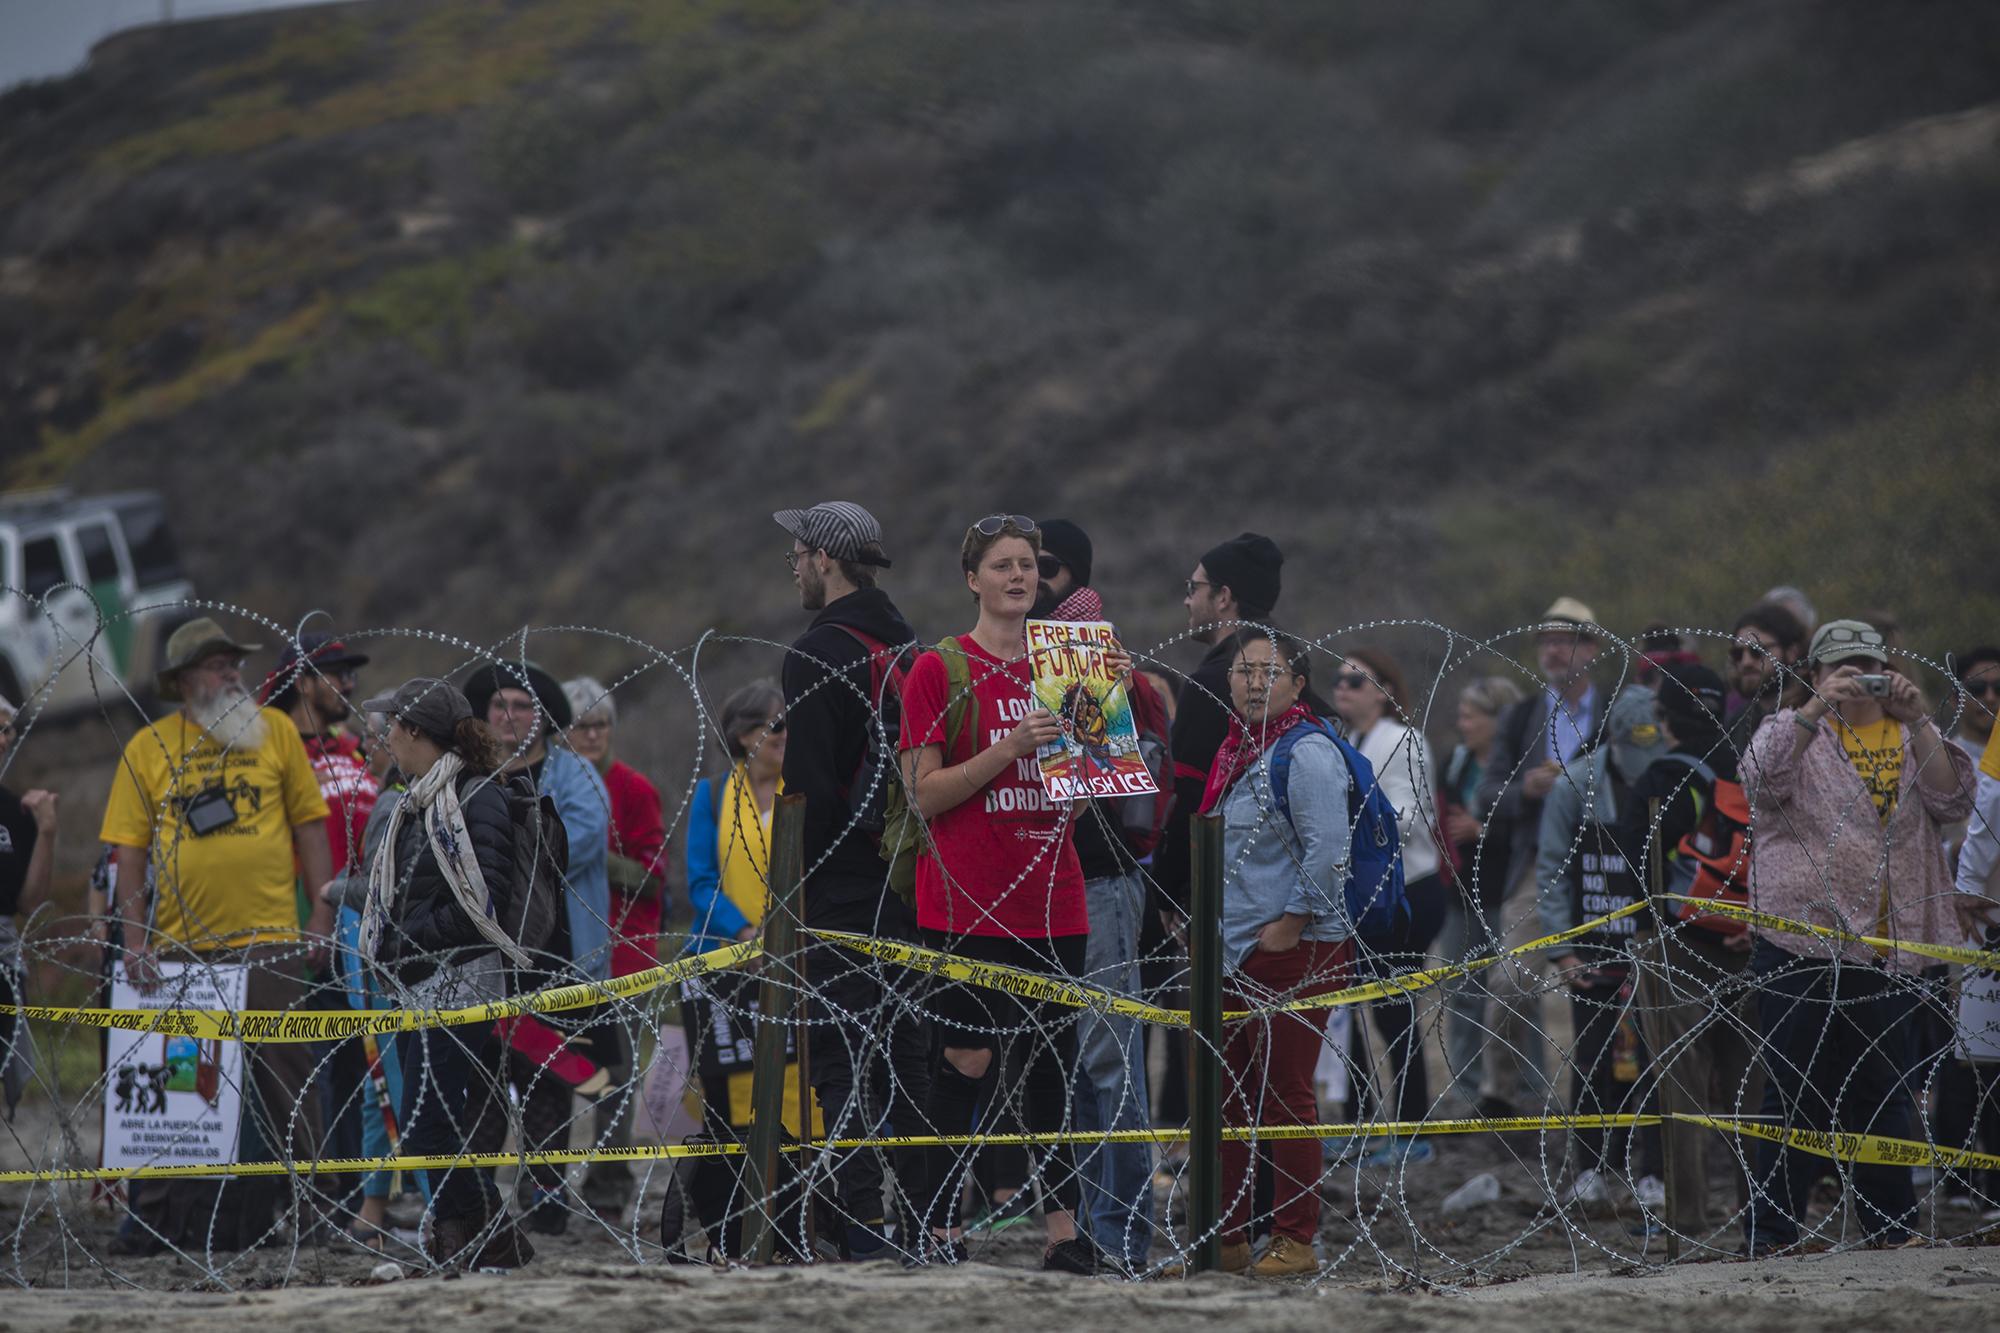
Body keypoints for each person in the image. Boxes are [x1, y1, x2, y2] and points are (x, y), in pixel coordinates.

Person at [898, 513, 1112, 1274]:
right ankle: (938, 1220)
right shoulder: (938, 668)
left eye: (1028, 564)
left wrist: (1081, 750)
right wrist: (1008, 748)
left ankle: (1063, 1230)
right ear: (972, 579)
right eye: (1002, 565)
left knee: (1053, 1062)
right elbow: (924, 793)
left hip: (1055, 895)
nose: (1019, 575)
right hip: (964, 896)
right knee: (964, 1058)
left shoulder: (1069, 659)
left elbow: (1084, 799)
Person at [1740, 619, 1983, 1254]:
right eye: (1840, 667)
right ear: (1815, 673)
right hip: (1803, 939)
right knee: (1792, 1091)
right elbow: (1762, 783)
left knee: (1884, 1093)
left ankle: (1891, 1230)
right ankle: (1772, 1236)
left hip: (1889, 946)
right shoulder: (1791, 731)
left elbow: (1956, 799)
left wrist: (1922, 716)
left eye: (1867, 664)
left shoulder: (1908, 734)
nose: (1858, 677)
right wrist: (1815, 706)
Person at [100, 618, 335, 1252]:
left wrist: (321, 911)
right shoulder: (149, 748)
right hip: (182, 949)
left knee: (286, 1069)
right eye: (215, 663)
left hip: (268, 937)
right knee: (185, 1083)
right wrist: (135, 941)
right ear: (181, 682)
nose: (232, 673)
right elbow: (128, 851)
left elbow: (311, 827)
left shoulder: (277, 732)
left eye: (234, 661)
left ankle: (312, 1206)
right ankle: (167, 1215)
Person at [773, 499, 935, 1260]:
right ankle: (931, 1222)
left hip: (841, 883)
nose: (792, 562)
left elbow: (807, 791)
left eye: (798, 549)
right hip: (911, 874)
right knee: (908, 1055)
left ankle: (867, 1226)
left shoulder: (815, 653)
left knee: (842, 1058)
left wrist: (803, 888)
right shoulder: (911, 649)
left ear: (827, 560)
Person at [356, 677, 533, 1270]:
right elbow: (406, 891)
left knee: (428, 1122)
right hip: (418, 981)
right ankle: (473, 1237)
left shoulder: (476, 796)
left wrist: (409, 938)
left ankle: (486, 1233)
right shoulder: (417, 800)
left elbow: (482, 899)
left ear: (416, 733)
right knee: (428, 1120)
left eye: (392, 728)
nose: (385, 739)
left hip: (463, 977)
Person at [1201, 626, 1352, 1278]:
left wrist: (1291, 922)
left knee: (1286, 1095)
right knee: (1227, 1097)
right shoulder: (1238, 751)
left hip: (1293, 949)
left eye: (1270, 670)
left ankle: (1295, 1238)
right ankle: (1227, 1238)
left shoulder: (1307, 751)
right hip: (1235, 948)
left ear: (1297, 681)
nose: (1254, 681)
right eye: (1243, 669)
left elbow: (1328, 850)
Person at [1035, 517, 1158, 1270]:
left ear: (1071, 574)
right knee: (1073, 1068)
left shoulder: (1085, 650)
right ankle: (1090, 1231)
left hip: (1101, 877)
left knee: (1110, 1064)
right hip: (1046, 885)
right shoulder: (1032, 651)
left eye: (1040, 566)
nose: (1027, 579)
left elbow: (1098, 781)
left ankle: (1122, 1238)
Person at [460, 658, 612, 1234]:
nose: (509, 715)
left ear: (543, 717)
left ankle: (546, 1200)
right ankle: (476, 1202)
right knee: (485, 1082)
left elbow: (581, 843)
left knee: (551, 1081)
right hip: (486, 959)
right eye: (499, 705)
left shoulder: (573, 776)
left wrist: (511, 831)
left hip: (562, 956)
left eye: (522, 706)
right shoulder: (468, 777)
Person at [1628, 663, 1763, 1245]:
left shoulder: (1662, 775)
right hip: (1752, 944)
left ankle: (1687, 1224)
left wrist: (1645, 932)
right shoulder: (1753, 764)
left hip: (1677, 948)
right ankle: (1764, 1218)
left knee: (1681, 1091)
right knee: (1752, 1091)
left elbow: (1639, 865)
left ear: (1664, 717)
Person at [259, 631, 380, 1227]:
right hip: (300, 931)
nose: (350, 684)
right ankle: (314, 1195)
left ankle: (356, 1193)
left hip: (362, 935)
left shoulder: (355, 752)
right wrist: (313, 919)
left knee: (358, 1065)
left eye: (352, 673)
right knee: (313, 1067)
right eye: (337, 673)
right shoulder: (274, 753)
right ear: (302, 681)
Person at [1475, 597, 1611, 1119]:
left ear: (1593, 649)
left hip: (1606, 860)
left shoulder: (1617, 708)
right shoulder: (1523, 716)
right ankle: (1500, 1094)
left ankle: (1609, 1098)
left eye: (1566, 640)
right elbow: (1487, 792)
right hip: (1540, 864)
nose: (1554, 650)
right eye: (1546, 640)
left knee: (1608, 983)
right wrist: (1526, 790)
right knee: (1511, 979)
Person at [1534, 685, 1668, 1211]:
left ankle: (1654, 1172)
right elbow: (1551, 869)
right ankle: (1589, 1168)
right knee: (1591, 1057)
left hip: (1654, 947)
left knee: (1657, 1059)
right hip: (1590, 948)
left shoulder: (1672, 777)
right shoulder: (1577, 784)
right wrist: (1563, 951)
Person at [1329, 647, 1443, 1165]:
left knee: (1393, 1011)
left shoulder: (1402, 740)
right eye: (1339, 680)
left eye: (1355, 680)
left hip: (1406, 892)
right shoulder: (1349, 741)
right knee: (1353, 1010)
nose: (1343, 688)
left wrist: (1344, 816)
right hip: (1364, 894)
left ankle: (1413, 1130)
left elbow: (1409, 817)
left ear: (1384, 691)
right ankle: (1357, 1121)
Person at [563, 674, 667, 1215]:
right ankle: (551, 1183)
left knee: (616, 1072)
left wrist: (584, 857)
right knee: (557, 1066)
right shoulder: (552, 782)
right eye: (582, 726)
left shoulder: (633, 789)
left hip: (624, 948)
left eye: (601, 724)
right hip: (564, 950)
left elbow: (653, 876)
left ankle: (609, 1183)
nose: (593, 735)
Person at [1433, 675, 1524, 1113]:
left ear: (1497, 719)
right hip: (1460, 893)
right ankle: (1466, 1089)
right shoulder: (1456, 763)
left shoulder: (1516, 768)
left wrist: (1480, 830)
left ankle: (1524, 1088)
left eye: (1471, 716)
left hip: (1506, 890)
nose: (1462, 723)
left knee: (1516, 993)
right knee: (1464, 993)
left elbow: (1525, 827)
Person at [0, 694, 58, 1120]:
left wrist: (48, 832)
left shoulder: (13, 812)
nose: (3, 740)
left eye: (7, 730)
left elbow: (28, 901)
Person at [1725, 601, 1809, 752]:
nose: (1746, 662)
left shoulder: (1808, 715)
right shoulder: (1737, 724)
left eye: (1757, 651)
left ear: (1792, 652)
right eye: (1738, 654)